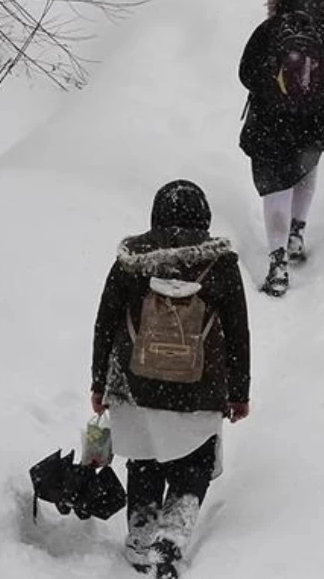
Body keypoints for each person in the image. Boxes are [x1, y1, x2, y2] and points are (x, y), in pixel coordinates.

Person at [90, 180, 251, 578]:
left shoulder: (132, 260)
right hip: (200, 387)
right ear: (204, 217)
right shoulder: (221, 264)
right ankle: (171, 540)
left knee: (144, 459)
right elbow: (237, 332)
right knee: (194, 462)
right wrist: (239, 393)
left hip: (135, 384)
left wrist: (98, 383)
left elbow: (106, 323)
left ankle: (141, 537)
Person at [238, 0, 324, 297]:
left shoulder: (267, 31)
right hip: (313, 127)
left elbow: (245, 74)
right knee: (305, 172)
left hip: (269, 127)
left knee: (275, 189)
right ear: (322, 2)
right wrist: (317, 95)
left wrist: (272, 90)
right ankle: (296, 234)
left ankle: (278, 262)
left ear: (278, 0)